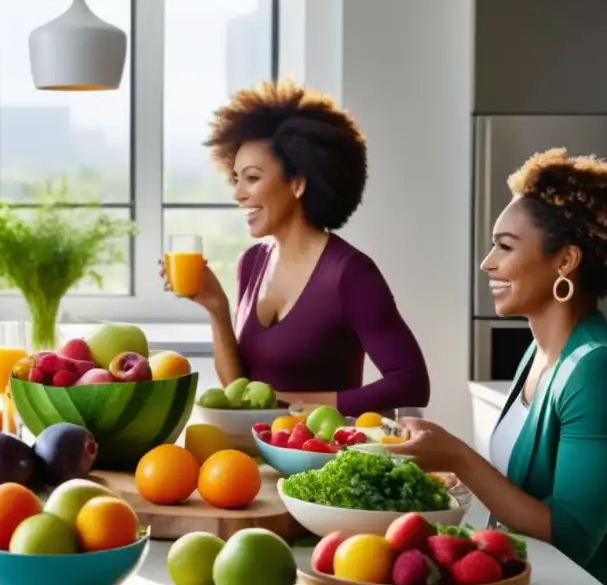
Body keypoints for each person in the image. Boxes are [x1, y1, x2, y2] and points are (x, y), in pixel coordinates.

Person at [298, 147, 607, 585]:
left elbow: (572, 535)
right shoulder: (538, 354)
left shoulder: (598, 370)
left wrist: (459, 459)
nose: (486, 261)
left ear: (565, 262)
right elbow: (514, 501)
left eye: (505, 245)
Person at [161, 78, 429, 417]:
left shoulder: (349, 273)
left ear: (298, 184)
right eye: (236, 178)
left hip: (323, 454)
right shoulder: (252, 263)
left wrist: (290, 405)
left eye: (253, 178)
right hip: (259, 453)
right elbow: (238, 393)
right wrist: (216, 308)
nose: (238, 194)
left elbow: (411, 383)